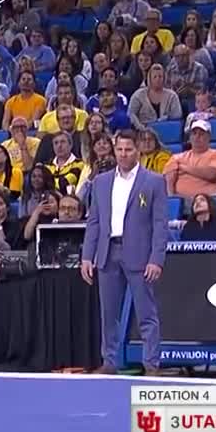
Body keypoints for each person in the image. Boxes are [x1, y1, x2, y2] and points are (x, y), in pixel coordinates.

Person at [81, 130, 169, 376]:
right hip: (108, 253)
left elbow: (161, 224)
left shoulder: (154, 181)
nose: (123, 154)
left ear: (138, 150)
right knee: (108, 314)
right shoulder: (101, 181)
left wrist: (156, 259)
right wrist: (87, 256)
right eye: (119, 149)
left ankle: (151, 364)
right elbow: (94, 222)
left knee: (146, 313)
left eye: (128, 149)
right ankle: (109, 362)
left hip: (140, 255)